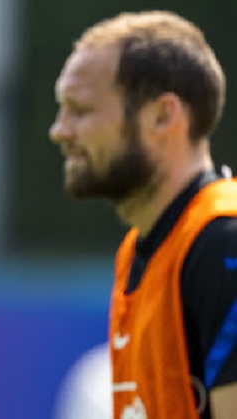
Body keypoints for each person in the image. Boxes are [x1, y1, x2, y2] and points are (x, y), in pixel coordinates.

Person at [49, 10, 237, 419]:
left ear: (163, 116)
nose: (60, 130)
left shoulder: (223, 242)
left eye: (80, 110)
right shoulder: (139, 249)